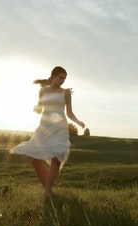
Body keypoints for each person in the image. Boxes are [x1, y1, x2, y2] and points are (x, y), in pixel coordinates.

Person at [10, 66, 85, 196]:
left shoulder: (66, 93)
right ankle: (48, 189)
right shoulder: (43, 91)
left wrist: (78, 122)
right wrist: (35, 108)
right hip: (45, 127)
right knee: (35, 161)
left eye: (65, 78)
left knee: (57, 157)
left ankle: (47, 192)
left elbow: (69, 113)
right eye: (60, 77)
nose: (63, 80)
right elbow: (39, 110)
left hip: (60, 127)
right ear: (53, 76)